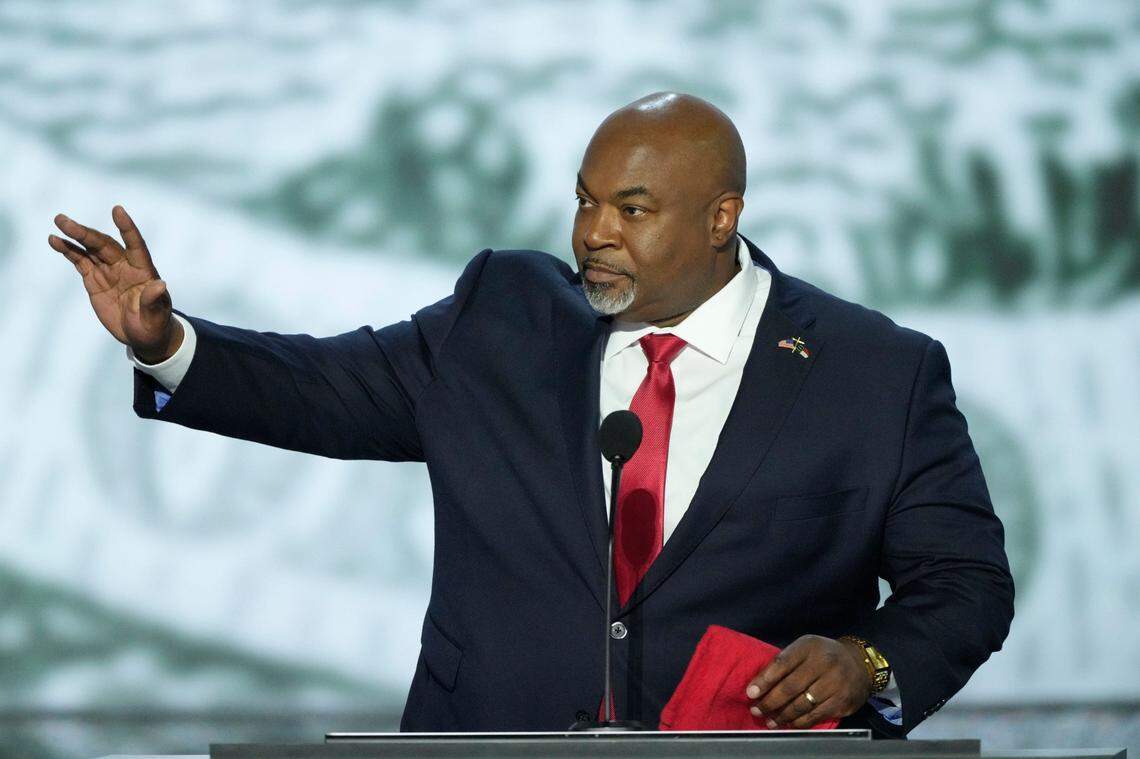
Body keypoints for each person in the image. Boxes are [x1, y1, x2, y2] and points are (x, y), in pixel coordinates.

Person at [47, 92, 1014, 736]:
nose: (594, 233)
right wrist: (166, 343)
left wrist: (868, 660)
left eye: (632, 210)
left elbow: (965, 583)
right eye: (586, 202)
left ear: (722, 218)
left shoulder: (873, 373)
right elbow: (322, 389)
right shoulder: (503, 321)